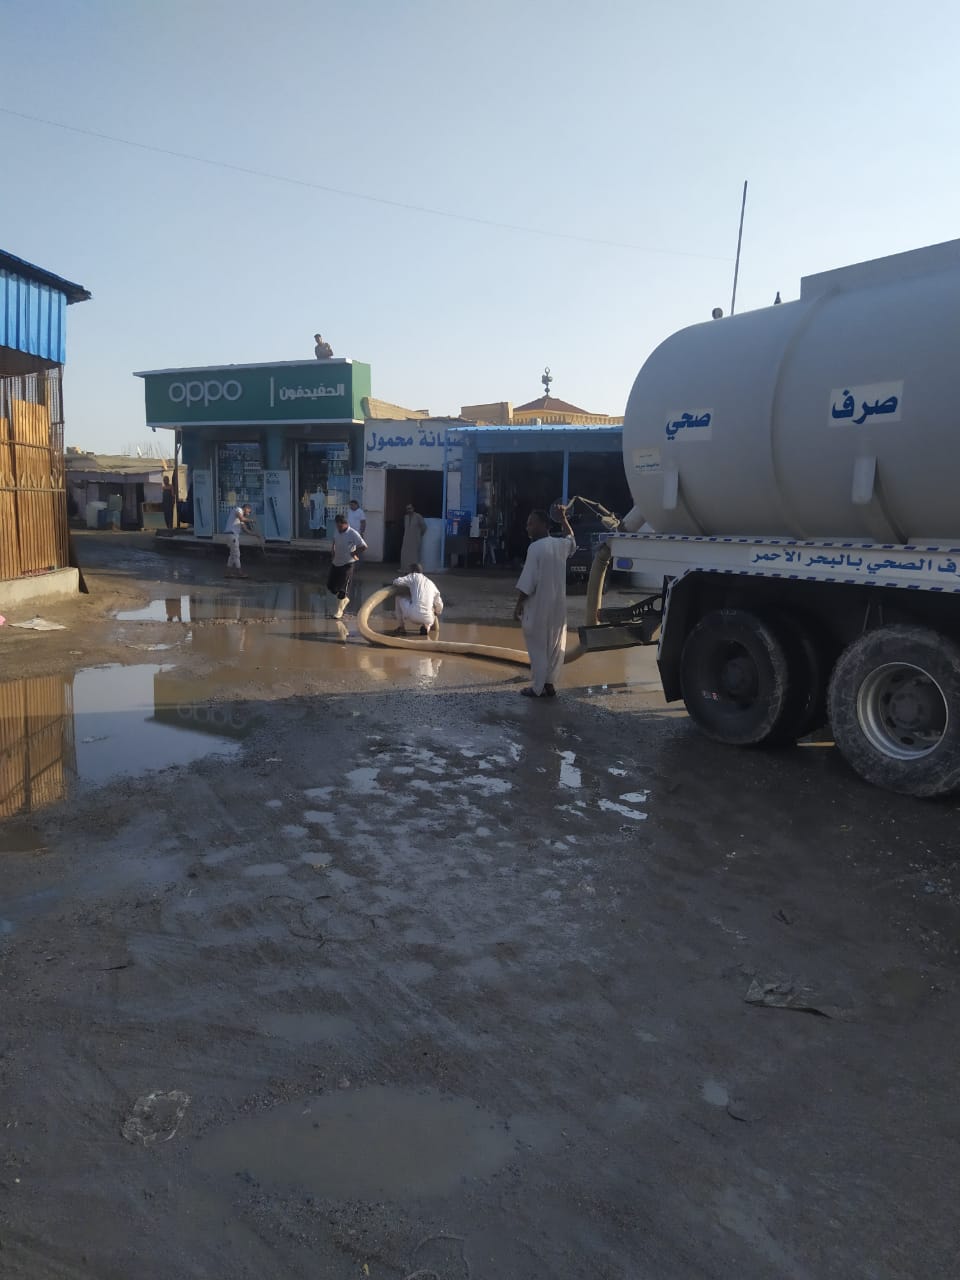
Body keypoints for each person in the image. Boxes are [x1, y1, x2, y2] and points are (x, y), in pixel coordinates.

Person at [514, 504, 576, 698]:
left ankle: (537, 687)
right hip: (558, 607)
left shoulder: (535, 548)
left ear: (543, 525)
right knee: (555, 646)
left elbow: (528, 582)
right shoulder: (560, 545)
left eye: (531, 524)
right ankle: (549, 684)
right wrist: (564, 519)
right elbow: (571, 539)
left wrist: (518, 604)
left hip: (539, 606)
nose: (528, 527)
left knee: (538, 647)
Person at [327, 513, 366, 619]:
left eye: (340, 526)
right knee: (331, 587)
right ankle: (344, 599)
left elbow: (364, 546)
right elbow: (335, 540)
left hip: (348, 564)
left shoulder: (353, 533)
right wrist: (333, 549)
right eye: (337, 526)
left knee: (342, 589)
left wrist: (354, 553)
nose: (338, 528)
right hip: (336, 562)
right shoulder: (337, 531)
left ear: (345, 524)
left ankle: (339, 611)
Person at [391, 562, 444, 636]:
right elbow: (439, 605)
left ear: (414, 571)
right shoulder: (431, 583)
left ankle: (401, 627)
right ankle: (427, 627)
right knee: (431, 609)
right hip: (429, 618)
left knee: (398, 598)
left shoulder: (414, 576)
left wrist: (407, 586)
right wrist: (437, 612)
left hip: (413, 616)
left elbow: (396, 581)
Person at [225, 502, 254, 578]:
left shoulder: (241, 517)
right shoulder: (238, 510)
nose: (249, 513)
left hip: (232, 536)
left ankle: (228, 573)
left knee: (232, 555)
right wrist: (251, 520)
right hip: (232, 535)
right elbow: (241, 518)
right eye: (249, 511)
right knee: (237, 554)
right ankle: (240, 573)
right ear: (246, 508)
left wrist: (255, 535)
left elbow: (245, 530)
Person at [400, 503, 427, 567]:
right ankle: (405, 568)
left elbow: (424, 527)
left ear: (413, 509)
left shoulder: (418, 516)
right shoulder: (406, 517)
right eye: (407, 509)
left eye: (410, 508)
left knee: (414, 555)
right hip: (406, 539)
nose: (408, 510)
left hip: (415, 539)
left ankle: (414, 569)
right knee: (405, 553)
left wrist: (419, 535)